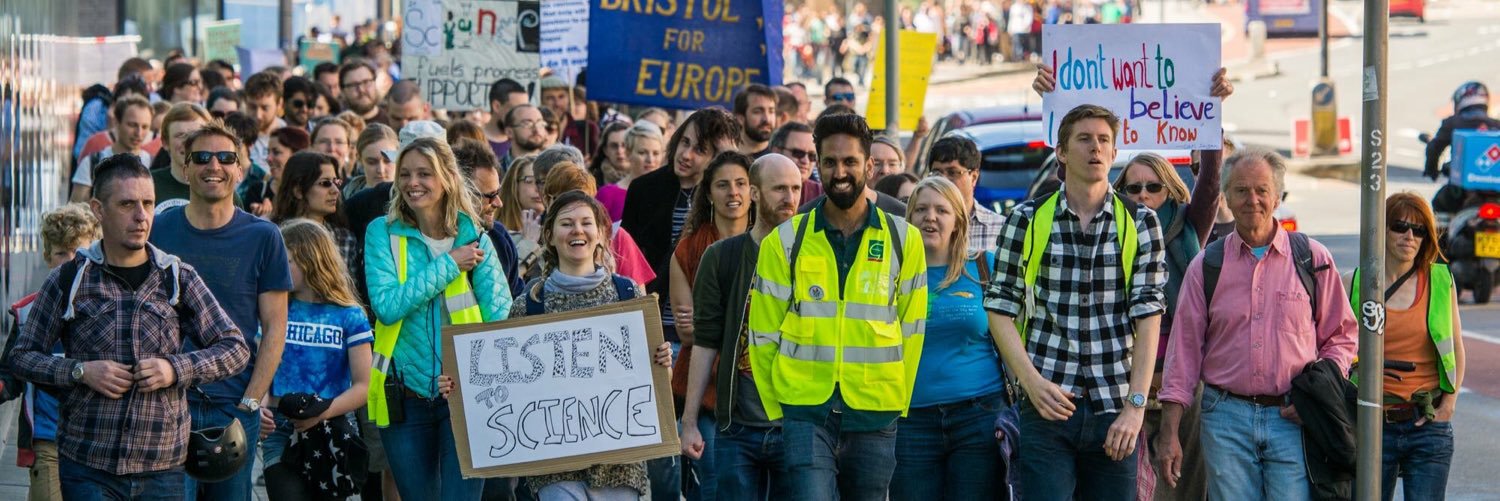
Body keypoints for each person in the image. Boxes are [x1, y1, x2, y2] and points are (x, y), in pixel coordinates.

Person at [10, 153, 249, 499]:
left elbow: (235, 348)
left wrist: (174, 368)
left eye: (148, 203)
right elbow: (22, 357)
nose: (141, 216)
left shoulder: (177, 277)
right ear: (98, 208)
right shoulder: (69, 278)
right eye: (127, 204)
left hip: (163, 466)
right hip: (89, 463)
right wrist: (80, 371)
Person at [984, 104, 1167, 501]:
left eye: (1104, 140)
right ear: (1062, 153)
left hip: (1115, 406)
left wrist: (1136, 408)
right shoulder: (1028, 219)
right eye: (1084, 139)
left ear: (1115, 153)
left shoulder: (1139, 222)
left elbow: (1149, 317)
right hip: (1049, 404)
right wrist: (1032, 384)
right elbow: (999, 309)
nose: (1096, 148)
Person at [1157, 149, 1357, 501]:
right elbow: (1183, 354)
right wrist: (1170, 432)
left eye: (1262, 190)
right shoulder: (1206, 266)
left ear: (1277, 197)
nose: (1253, 200)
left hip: (1292, 418)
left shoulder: (1312, 258)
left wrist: (1320, 391)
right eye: (1241, 190)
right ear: (1226, 198)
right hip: (1225, 418)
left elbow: (1342, 335)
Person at [747, 113, 928, 499]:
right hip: (804, 411)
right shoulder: (785, 241)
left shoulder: (904, 239)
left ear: (870, 165)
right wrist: (779, 410)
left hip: (876, 410)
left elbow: (913, 328)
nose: (839, 171)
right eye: (829, 162)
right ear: (816, 165)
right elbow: (761, 334)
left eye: (850, 161)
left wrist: (897, 400)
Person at [444, 191, 670, 500]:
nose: (577, 230)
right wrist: (461, 387)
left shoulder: (628, 294)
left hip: (620, 463)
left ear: (602, 234)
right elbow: (504, 388)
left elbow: (654, 385)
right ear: (549, 235)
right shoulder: (530, 306)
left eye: (586, 222)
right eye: (567, 223)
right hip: (555, 467)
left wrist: (662, 363)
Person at [149, 122, 293, 501]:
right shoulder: (157, 231)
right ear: (184, 169)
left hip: (232, 406)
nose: (214, 165)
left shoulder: (264, 236)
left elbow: (276, 328)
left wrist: (251, 401)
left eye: (226, 157)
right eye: (202, 157)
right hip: (166, 402)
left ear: (240, 170)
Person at [363, 137, 511, 501]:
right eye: (406, 174)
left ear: (446, 177)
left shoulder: (475, 236)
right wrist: (450, 265)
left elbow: (500, 319)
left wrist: (466, 373)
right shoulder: (381, 232)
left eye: (424, 173)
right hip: (404, 395)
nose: (413, 182)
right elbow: (387, 306)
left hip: (465, 396)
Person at [680, 154, 801, 499]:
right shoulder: (722, 257)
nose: (789, 198)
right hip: (738, 426)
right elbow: (704, 342)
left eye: (795, 188)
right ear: (755, 192)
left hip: (797, 425)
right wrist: (689, 422)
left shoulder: (813, 256)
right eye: (779, 188)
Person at [1108, 152, 1222, 500]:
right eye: (1133, 188)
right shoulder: (1107, 232)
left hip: (1183, 384)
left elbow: (1210, 186)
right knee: (1130, 485)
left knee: (1182, 483)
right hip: (1123, 383)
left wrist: (1211, 135)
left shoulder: (1187, 226)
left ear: (1169, 191)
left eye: (1153, 187)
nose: (1142, 195)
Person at [889, 176, 1007, 501]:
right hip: (910, 419)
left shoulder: (984, 268)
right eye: (921, 209)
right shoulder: (889, 275)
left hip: (979, 415)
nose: (931, 217)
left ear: (957, 221)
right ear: (909, 218)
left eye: (942, 210)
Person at [1348, 193, 1465, 501]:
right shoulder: (1355, 281)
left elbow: (1456, 347)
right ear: (1382, 229)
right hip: (1371, 424)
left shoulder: (1441, 280)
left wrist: (1448, 406)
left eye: (1419, 230)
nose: (1409, 237)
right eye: (1400, 226)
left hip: (1426, 422)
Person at [261, 219, 373, 501]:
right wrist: (259, 406)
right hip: (280, 427)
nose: (277, 268)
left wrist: (320, 413)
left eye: (284, 261)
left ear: (310, 259)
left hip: (332, 426)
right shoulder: (275, 309)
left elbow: (364, 385)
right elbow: (262, 365)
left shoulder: (349, 315)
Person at [667, 151, 755, 500]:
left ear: (754, 191)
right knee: (717, 481)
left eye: (741, 184)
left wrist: (714, 317)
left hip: (757, 386)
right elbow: (689, 331)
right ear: (708, 193)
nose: (733, 192)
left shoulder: (776, 244)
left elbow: (704, 320)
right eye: (722, 184)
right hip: (704, 388)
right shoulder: (687, 250)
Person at [0, 203, 100, 501]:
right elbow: (10, 373)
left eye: (78, 254)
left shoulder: (111, 309)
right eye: (61, 254)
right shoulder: (29, 313)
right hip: (48, 440)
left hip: (96, 442)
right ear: (47, 256)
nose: (70, 262)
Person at [622, 108, 743, 355]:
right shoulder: (644, 189)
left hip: (705, 333)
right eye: (684, 142)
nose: (685, 154)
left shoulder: (726, 195)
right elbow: (626, 259)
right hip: (651, 328)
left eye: (700, 150)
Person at [451, 137, 525, 297]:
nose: (498, 203)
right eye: (490, 195)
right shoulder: (434, 241)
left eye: (498, 193)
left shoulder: (499, 236)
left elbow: (516, 298)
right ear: (460, 194)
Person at [270, 151, 361, 278]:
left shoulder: (344, 238)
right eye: (325, 183)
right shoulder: (273, 237)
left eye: (336, 182)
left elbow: (349, 294)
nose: (335, 191)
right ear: (298, 191)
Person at [926, 136, 1004, 253]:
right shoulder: (922, 225)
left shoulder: (1000, 229)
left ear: (973, 177)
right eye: (937, 173)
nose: (943, 179)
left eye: (953, 172)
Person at [72, 95, 154, 202]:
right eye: (132, 125)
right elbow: (75, 211)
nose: (139, 133)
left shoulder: (154, 164)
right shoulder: (91, 163)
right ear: (117, 123)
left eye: (145, 127)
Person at [151, 103, 213, 212]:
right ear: (165, 142)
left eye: (195, 135)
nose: (187, 143)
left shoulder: (222, 190)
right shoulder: (148, 185)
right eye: (180, 135)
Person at [599, 122, 664, 222]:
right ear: (628, 153)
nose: (650, 160)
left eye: (656, 153)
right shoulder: (608, 195)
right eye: (642, 152)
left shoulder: (669, 195)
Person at [244, 127, 311, 217]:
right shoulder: (257, 191)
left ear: (297, 155)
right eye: (268, 152)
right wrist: (258, 218)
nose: (268, 158)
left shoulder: (311, 192)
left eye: (276, 152)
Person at [769, 122, 823, 205]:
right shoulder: (757, 187)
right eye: (798, 153)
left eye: (812, 156)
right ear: (777, 152)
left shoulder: (821, 194)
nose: (805, 161)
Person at [245, 72, 288, 169]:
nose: (258, 115)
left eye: (265, 108)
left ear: (279, 104)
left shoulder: (290, 138)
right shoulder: (235, 136)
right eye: (252, 107)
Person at [344, 123, 398, 198]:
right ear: (359, 159)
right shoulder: (344, 198)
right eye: (372, 162)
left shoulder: (410, 201)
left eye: (387, 161)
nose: (381, 170)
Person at [484, 78, 530, 161]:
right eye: (516, 109)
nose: (522, 115)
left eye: (524, 108)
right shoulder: (474, 139)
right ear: (497, 106)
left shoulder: (528, 141)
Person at [734, 84, 780, 156]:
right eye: (758, 112)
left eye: (771, 111)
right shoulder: (723, 156)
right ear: (740, 118)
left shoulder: (780, 158)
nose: (766, 119)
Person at [502, 104, 552, 170]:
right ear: (509, 132)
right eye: (527, 124)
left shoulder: (553, 167)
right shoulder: (496, 170)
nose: (536, 130)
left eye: (540, 123)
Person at [339, 59, 386, 124]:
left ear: (375, 83)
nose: (361, 90)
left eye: (366, 82)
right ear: (343, 91)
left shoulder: (394, 121)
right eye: (353, 85)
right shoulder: (336, 126)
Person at [589, 121, 633, 188]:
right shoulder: (592, 181)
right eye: (614, 146)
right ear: (605, 150)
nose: (620, 151)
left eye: (625, 145)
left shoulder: (642, 176)